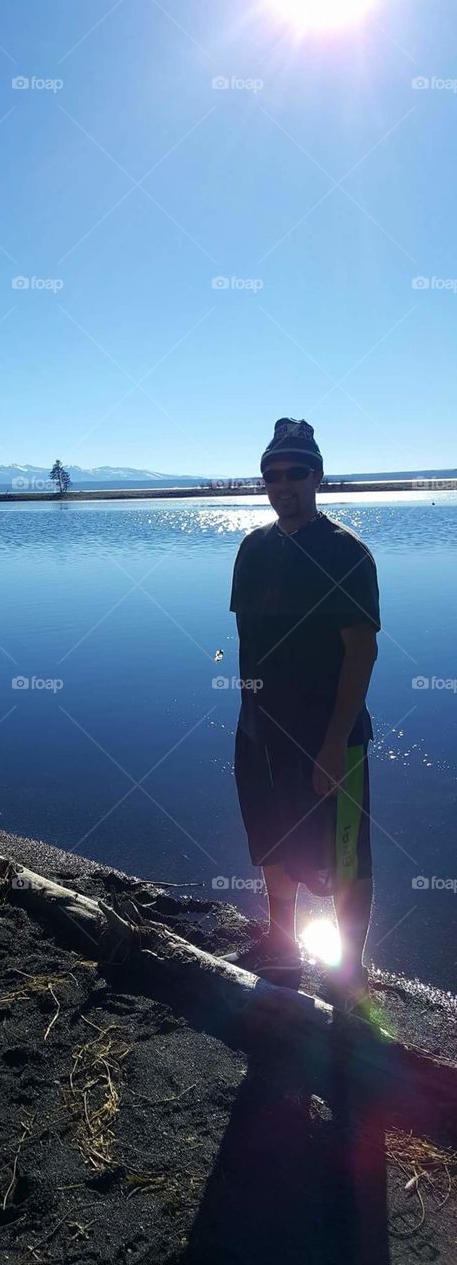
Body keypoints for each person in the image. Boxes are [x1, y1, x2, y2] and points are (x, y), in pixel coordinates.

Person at [221, 419, 380, 1010]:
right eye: (272, 474)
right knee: (273, 843)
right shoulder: (253, 549)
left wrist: (336, 739)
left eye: (295, 473)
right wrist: (249, 724)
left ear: (318, 476)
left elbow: (361, 651)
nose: (282, 484)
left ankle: (348, 970)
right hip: (261, 733)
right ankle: (283, 945)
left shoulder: (346, 553)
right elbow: (249, 643)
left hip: (330, 736)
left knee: (345, 857)